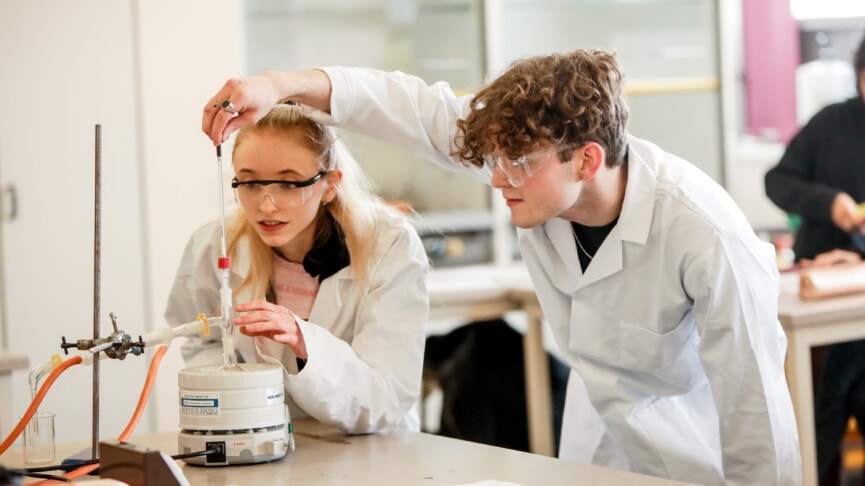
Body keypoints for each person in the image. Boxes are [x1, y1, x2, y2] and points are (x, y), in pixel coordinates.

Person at [200, 49, 801, 485]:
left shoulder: (709, 238)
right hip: (595, 450)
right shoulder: (540, 178)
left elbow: (758, 415)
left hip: (701, 462)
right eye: (494, 158)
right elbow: (411, 108)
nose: (494, 177)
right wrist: (277, 83)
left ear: (586, 160)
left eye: (516, 163)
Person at [166, 103, 430, 434]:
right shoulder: (214, 244)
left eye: (288, 184)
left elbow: (384, 400)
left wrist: (304, 341)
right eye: (250, 183)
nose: (265, 205)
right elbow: (199, 339)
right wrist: (244, 403)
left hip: (370, 447)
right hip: (260, 439)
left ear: (331, 183)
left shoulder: (388, 245)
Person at [765, 32, 865, 486]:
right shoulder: (830, 124)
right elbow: (778, 181)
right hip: (816, 296)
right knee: (815, 425)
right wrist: (831, 204)